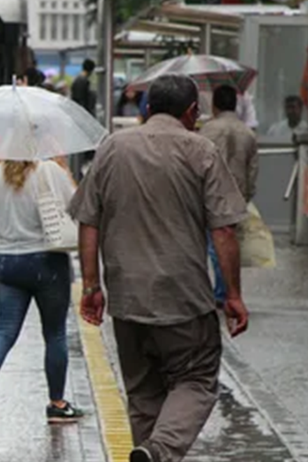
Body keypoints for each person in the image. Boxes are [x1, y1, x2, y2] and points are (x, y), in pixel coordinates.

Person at [69, 74, 250, 462]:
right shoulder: (200, 151)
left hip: (127, 299)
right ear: (191, 112)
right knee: (197, 379)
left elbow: (88, 221)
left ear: (146, 109)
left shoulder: (112, 148)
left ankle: (149, 454)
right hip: (184, 298)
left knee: (143, 391)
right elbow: (224, 231)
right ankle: (159, 451)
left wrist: (90, 287)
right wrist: (233, 295)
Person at [0, 159, 84, 428]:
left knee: (4, 331)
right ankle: (57, 405)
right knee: (54, 333)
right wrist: (66, 173)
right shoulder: (49, 170)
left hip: (8, 262)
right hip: (47, 261)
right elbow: (77, 207)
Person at [199, 85, 258, 307]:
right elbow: (252, 171)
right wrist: (246, 196)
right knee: (229, 243)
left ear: (215, 105)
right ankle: (227, 290)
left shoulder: (208, 130)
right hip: (237, 197)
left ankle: (221, 292)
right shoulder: (248, 133)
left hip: (211, 195)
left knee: (212, 246)